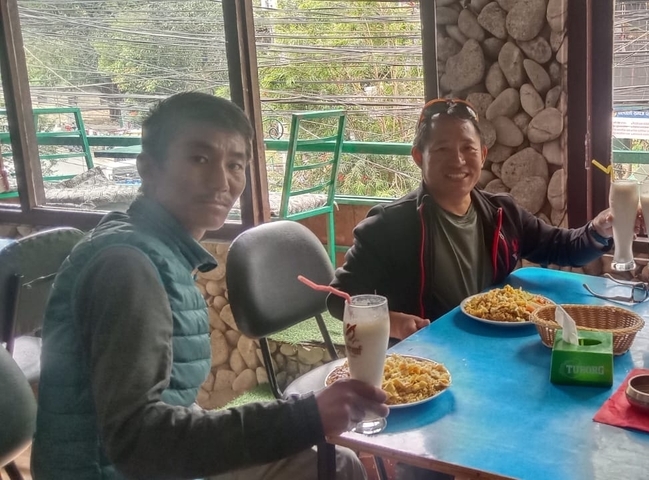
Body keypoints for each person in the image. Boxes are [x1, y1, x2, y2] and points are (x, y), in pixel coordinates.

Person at [32, 92, 388, 480]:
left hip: (148, 463)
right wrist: (302, 417)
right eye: (199, 159)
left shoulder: (161, 254)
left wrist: (296, 420)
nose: (222, 180)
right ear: (148, 169)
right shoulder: (126, 266)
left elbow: (166, 409)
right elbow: (136, 442)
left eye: (235, 164)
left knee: (335, 466)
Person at [330, 98, 614, 341]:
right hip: (427, 355)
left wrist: (600, 229)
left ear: (483, 154)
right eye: (442, 149)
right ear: (419, 156)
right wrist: (392, 322)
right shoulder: (389, 226)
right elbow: (339, 298)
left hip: (492, 346)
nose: (458, 160)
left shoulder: (502, 214)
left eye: (468, 148)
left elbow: (560, 246)